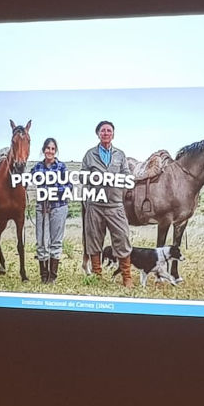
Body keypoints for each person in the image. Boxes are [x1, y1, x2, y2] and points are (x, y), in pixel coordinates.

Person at [82, 120, 133, 288]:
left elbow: (126, 175)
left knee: (122, 237)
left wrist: (119, 179)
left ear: (113, 134)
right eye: (102, 131)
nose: (105, 133)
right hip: (95, 204)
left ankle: (127, 276)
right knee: (94, 239)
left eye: (109, 131)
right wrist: (95, 178)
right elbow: (82, 176)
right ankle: (97, 275)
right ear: (98, 134)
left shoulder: (120, 155)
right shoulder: (90, 154)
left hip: (115, 204)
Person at [31, 138, 70, 284]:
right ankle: (43, 274)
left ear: (56, 151)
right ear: (43, 150)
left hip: (58, 206)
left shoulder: (61, 167)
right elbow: (28, 179)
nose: (50, 151)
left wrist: (53, 191)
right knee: (41, 241)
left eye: (53, 149)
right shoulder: (37, 168)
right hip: (42, 207)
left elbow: (68, 186)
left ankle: (52, 276)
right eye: (47, 148)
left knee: (56, 241)